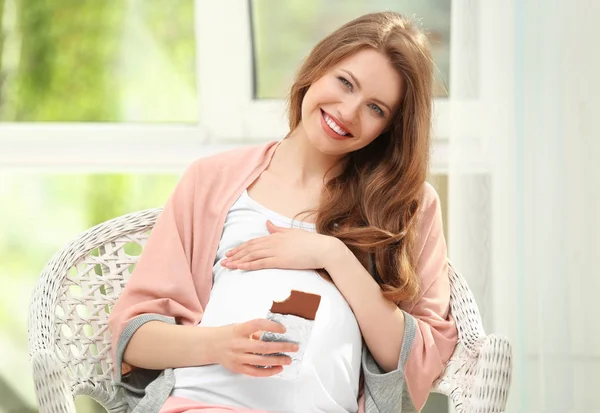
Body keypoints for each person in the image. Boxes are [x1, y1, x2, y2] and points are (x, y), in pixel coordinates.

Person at [108, 11, 457, 413]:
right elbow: (133, 337)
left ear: (390, 128)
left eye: (375, 108)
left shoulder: (408, 206)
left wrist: (332, 256)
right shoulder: (211, 179)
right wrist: (219, 344)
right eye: (345, 83)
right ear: (317, 68)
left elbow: (420, 361)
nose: (347, 111)